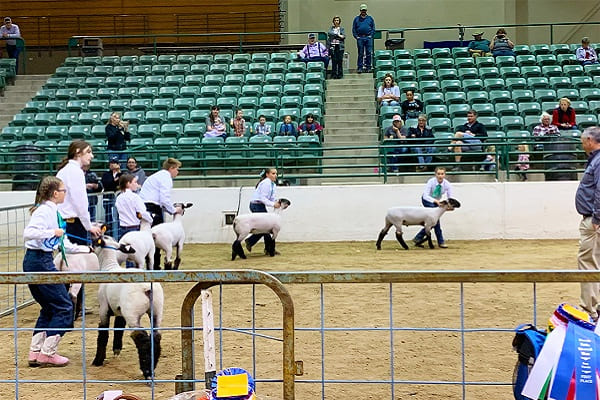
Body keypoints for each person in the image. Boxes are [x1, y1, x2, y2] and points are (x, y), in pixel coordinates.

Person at [23, 176, 91, 367]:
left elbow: (63, 243)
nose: (65, 194)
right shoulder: (44, 211)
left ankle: (35, 351)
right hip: (40, 260)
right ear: (55, 193)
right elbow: (29, 233)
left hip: (38, 260)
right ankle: (47, 352)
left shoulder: (53, 212)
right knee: (64, 306)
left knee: (49, 306)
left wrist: (85, 249)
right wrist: (52, 232)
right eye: (63, 191)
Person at [56, 140, 103, 244]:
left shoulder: (65, 170)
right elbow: (80, 202)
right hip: (73, 224)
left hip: (66, 222)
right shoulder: (75, 171)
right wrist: (89, 226)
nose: (92, 156)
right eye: (88, 152)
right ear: (78, 152)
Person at [575, 126, 600, 321]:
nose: (582, 144)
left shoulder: (598, 161)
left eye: (583, 141)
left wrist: (597, 218)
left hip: (593, 220)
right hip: (593, 218)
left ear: (591, 141)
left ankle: (590, 308)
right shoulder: (595, 160)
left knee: (587, 262)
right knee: (594, 260)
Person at [140, 157, 181, 269]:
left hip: (146, 207)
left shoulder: (157, 176)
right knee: (156, 237)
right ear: (171, 168)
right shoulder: (166, 178)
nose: (178, 172)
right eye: (177, 169)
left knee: (149, 237)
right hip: (152, 207)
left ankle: (151, 264)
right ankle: (154, 265)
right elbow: (164, 198)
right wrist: (174, 210)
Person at [244, 168, 284, 255]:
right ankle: (268, 249)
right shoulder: (266, 183)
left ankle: (254, 243)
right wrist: (273, 204)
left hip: (258, 205)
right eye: (273, 173)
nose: (275, 175)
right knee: (266, 228)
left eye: (276, 174)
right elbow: (263, 198)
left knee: (266, 228)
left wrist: (277, 202)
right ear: (267, 174)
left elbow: (271, 198)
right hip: (257, 205)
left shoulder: (272, 184)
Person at [412, 167, 453, 248]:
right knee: (435, 221)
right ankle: (440, 242)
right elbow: (426, 195)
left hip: (436, 202)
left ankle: (418, 237)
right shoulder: (431, 181)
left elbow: (450, 198)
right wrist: (436, 201)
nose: (440, 176)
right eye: (438, 174)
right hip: (428, 200)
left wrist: (449, 206)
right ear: (435, 174)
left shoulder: (447, 184)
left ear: (445, 175)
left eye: (442, 174)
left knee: (434, 222)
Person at [101, 157, 123, 238]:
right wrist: (115, 181)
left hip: (119, 200)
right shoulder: (106, 174)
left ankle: (118, 235)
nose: (112, 165)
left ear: (119, 164)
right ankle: (109, 235)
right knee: (109, 218)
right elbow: (107, 184)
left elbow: (122, 184)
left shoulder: (123, 174)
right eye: (111, 163)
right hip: (108, 199)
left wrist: (117, 179)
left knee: (119, 217)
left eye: (114, 163)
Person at [352, 3, 375, 73]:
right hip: (360, 38)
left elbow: (373, 28)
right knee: (360, 53)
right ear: (360, 10)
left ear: (366, 10)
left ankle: (368, 67)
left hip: (368, 38)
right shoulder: (356, 19)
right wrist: (357, 37)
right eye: (362, 10)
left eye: (364, 10)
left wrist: (371, 35)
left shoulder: (370, 18)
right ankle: (360, 67)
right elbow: (354, 29)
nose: (363, 11)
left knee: (368, 53)